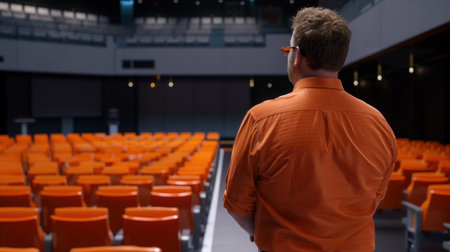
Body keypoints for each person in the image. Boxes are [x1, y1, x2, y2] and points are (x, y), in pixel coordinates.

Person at [223, 7, 397, 252]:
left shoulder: (261, 119)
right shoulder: (379, 124)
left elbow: (236, 205)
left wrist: (263, 232)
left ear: (297, 56)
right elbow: (374, 200)